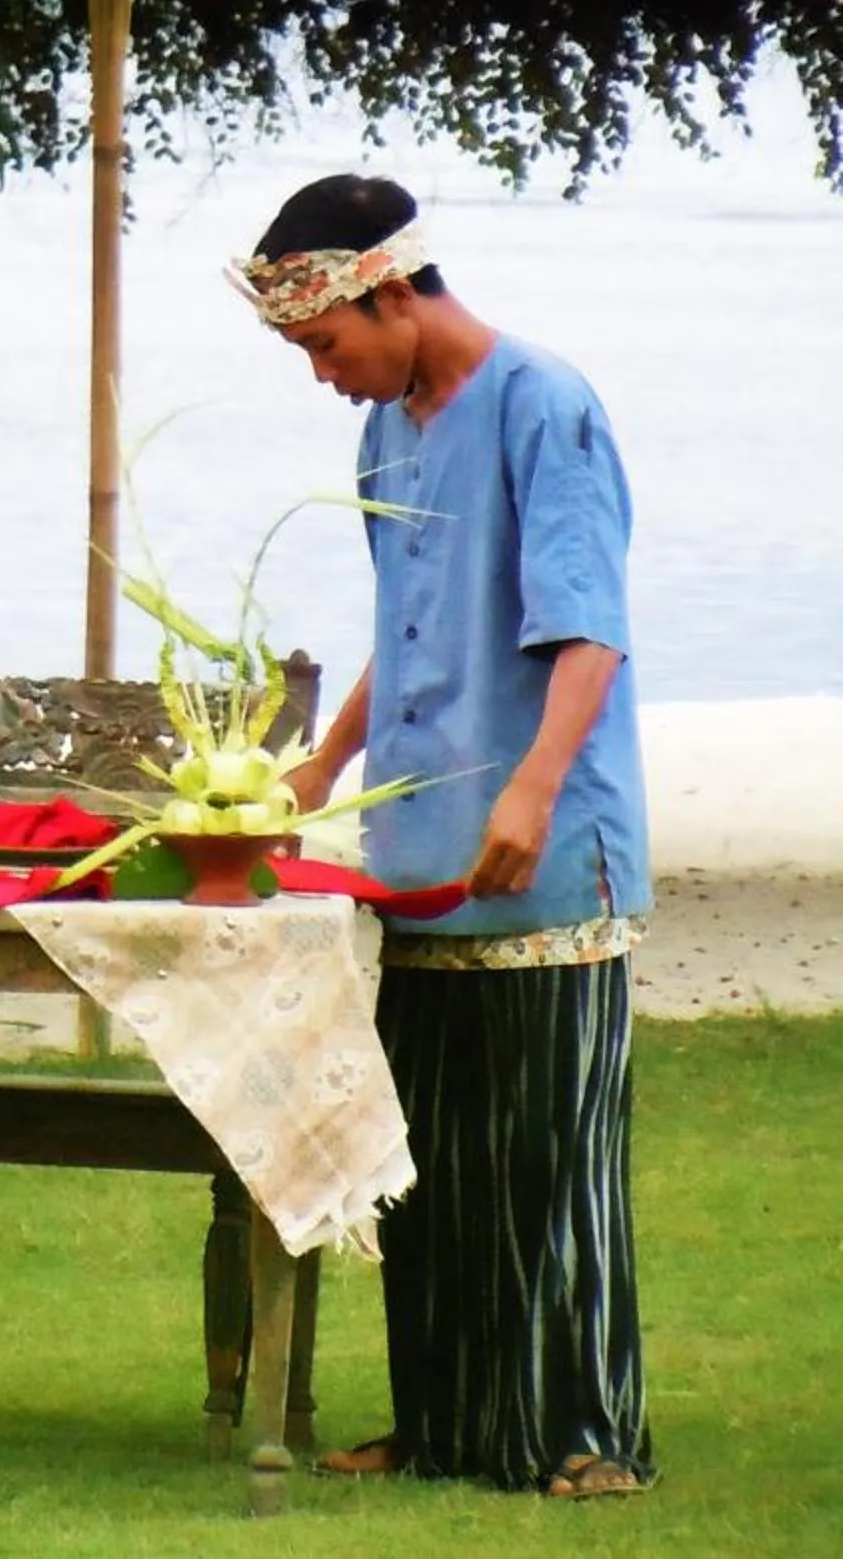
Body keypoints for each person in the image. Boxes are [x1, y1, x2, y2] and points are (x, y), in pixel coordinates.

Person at [229, 172, 655, 1502]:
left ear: (392, 289)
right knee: (425, 1160)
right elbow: (402, 620)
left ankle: (584, 1437)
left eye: (324, 343)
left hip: (538, 847)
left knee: (543, 1156)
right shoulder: (386, 436)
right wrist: (324, 761)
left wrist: (529, 788)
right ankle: (444, 1424)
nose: (321, 375)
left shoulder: (544, 406)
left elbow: (582, 625)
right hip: (409, 856)